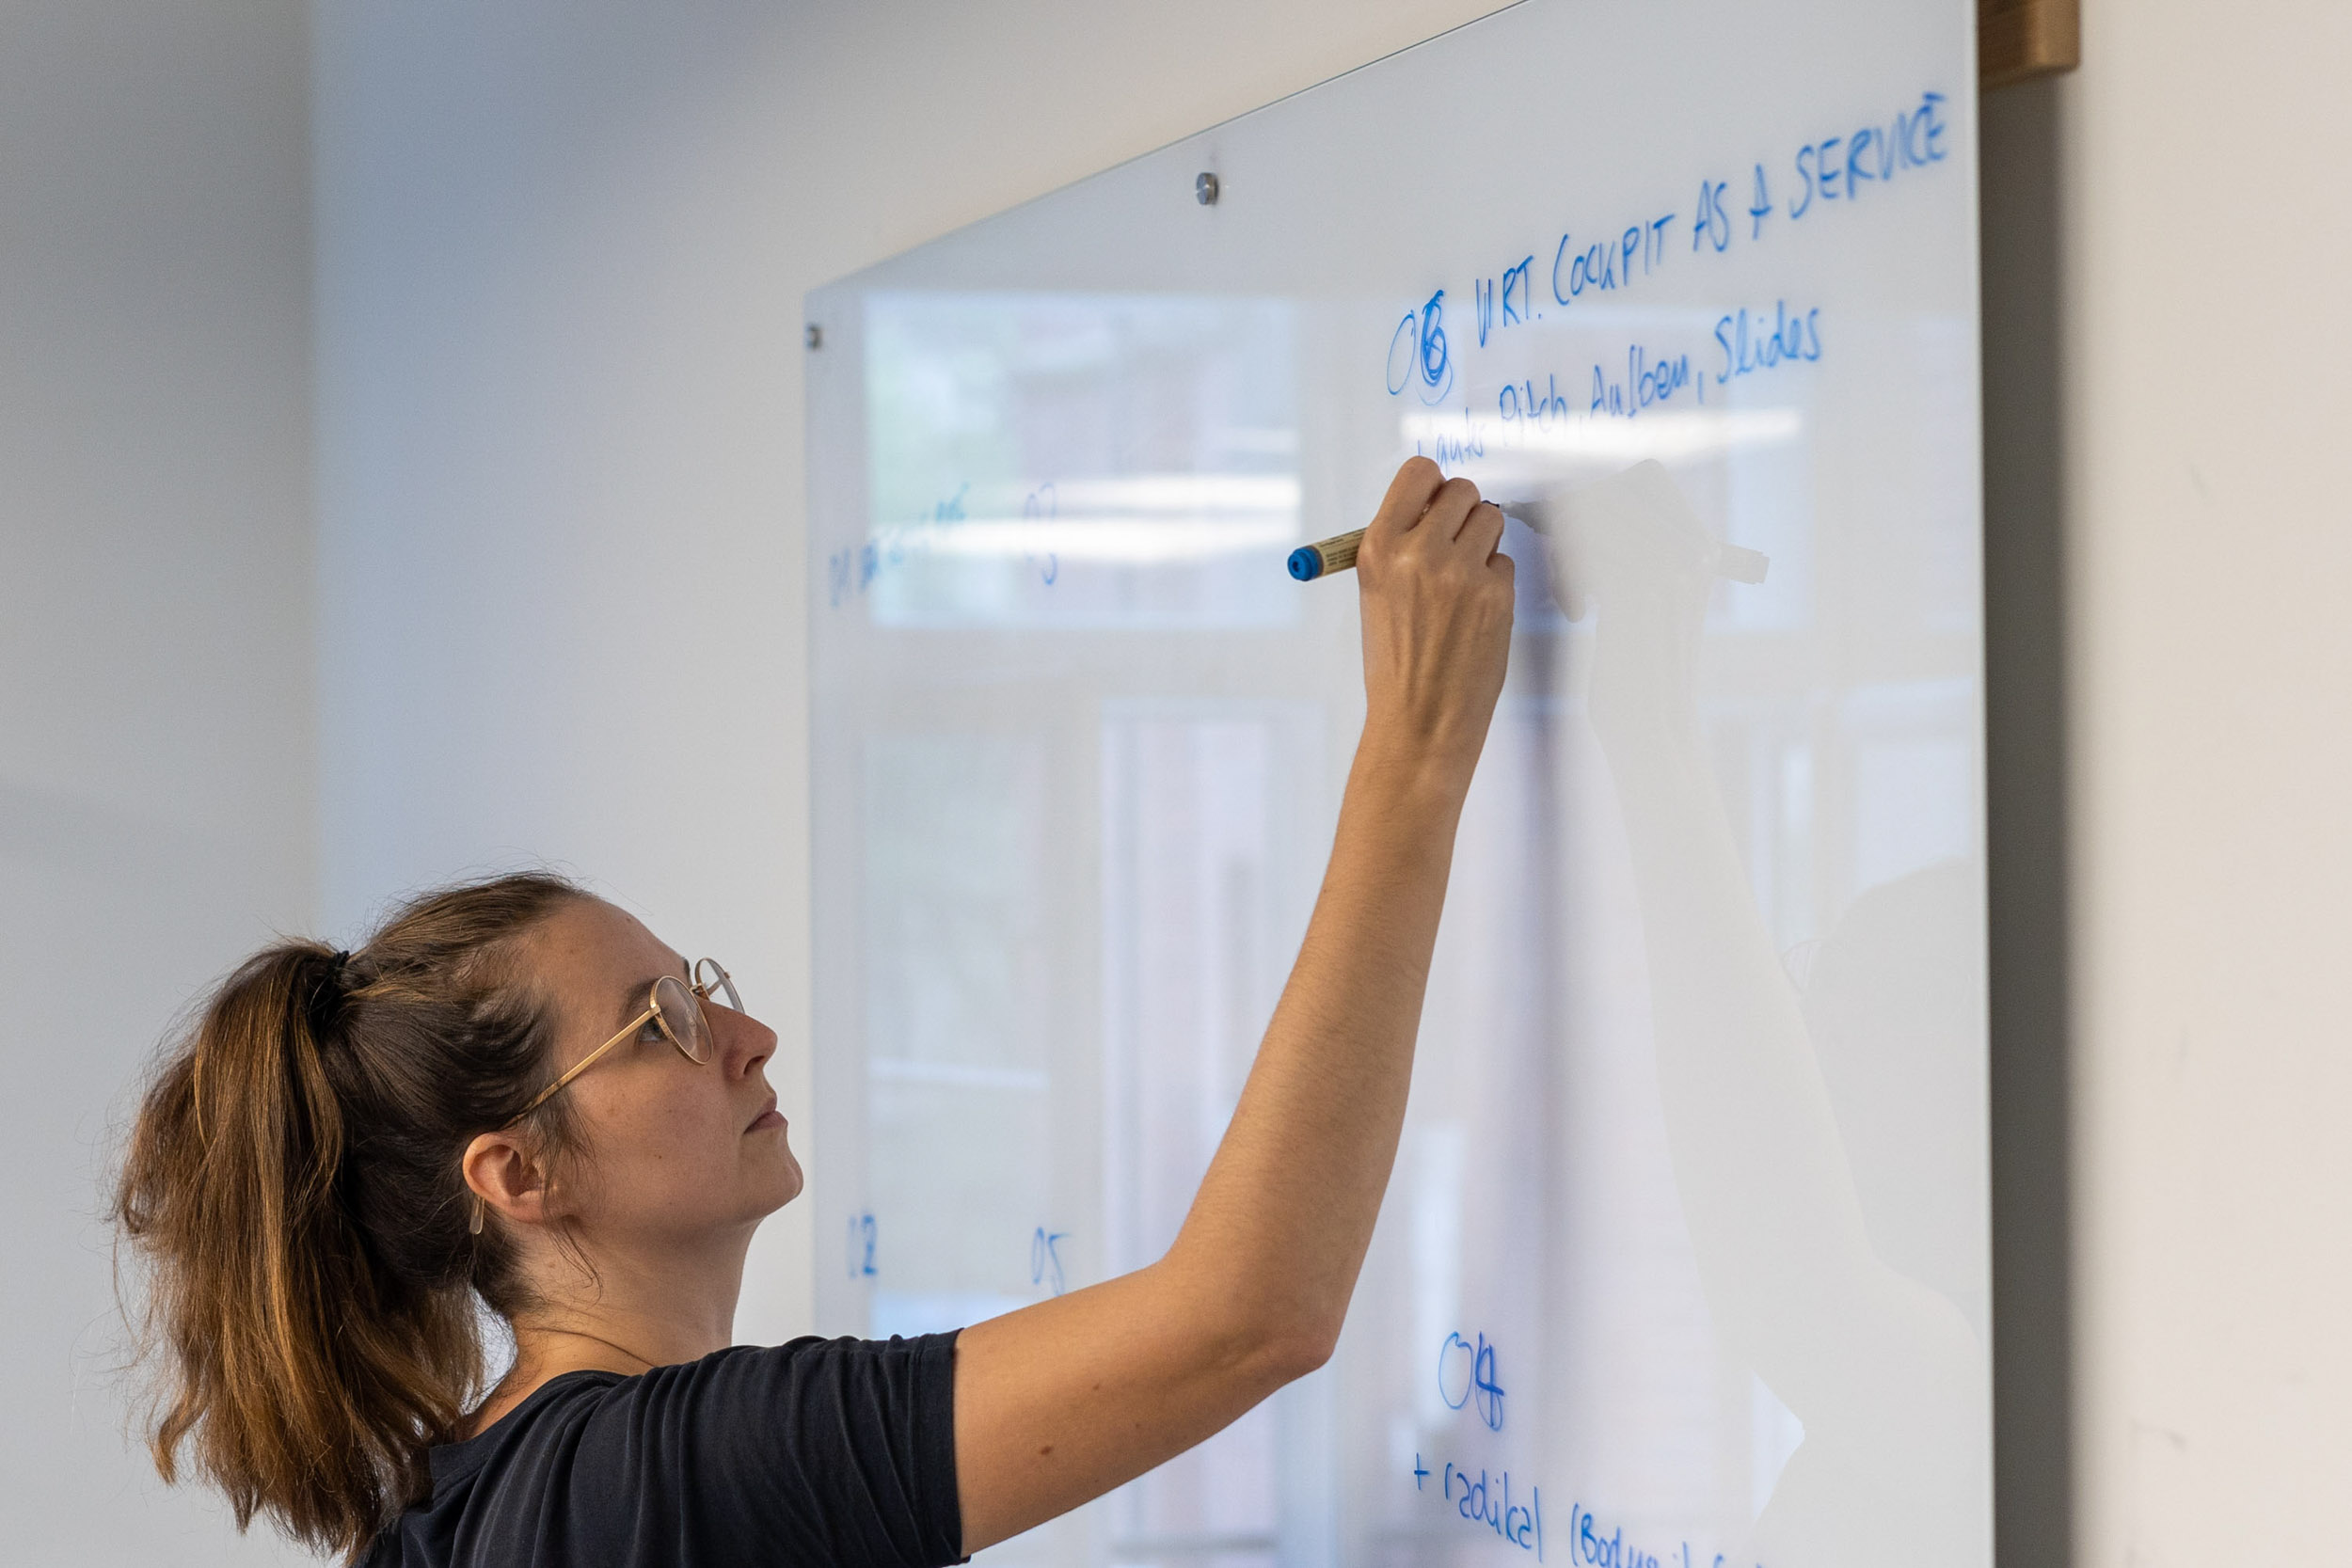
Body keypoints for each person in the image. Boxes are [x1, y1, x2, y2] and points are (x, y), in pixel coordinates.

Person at [112, 457, 1514, 1567]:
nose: (747, 1035)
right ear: (518, 1174)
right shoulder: (659, 1477)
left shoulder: (466, 1503)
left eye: (702, 985)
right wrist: (1417, 753)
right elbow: (1247, 1316)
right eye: (658, 1019)